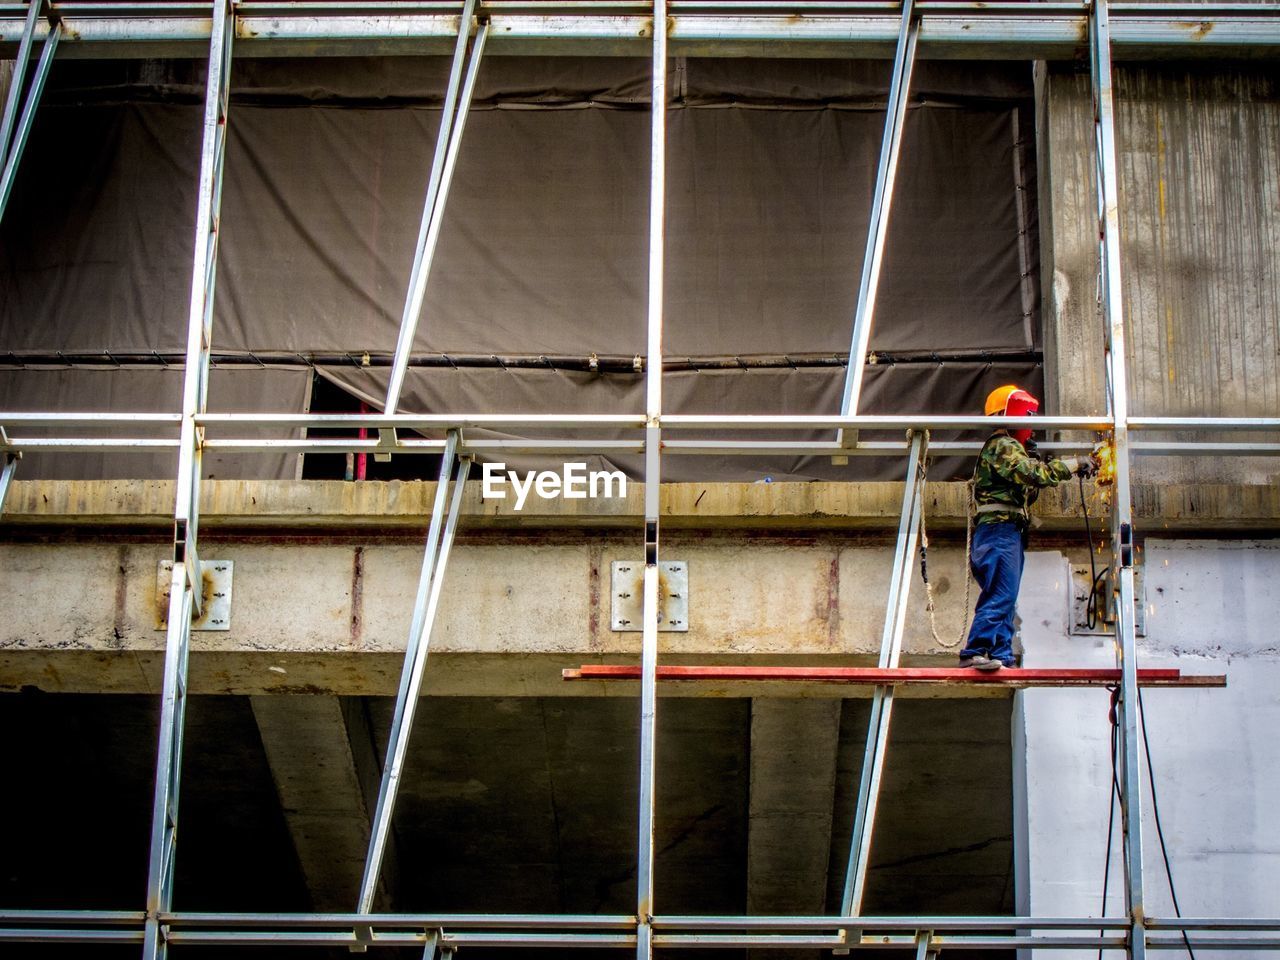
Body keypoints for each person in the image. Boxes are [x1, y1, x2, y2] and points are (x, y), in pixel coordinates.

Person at [959, 385, 1097, 671]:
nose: (1031, 428)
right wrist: (1074, 463)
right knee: (1001, 594)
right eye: (1028, 420)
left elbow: (1027, 489)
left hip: (1006, 531)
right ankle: (976, 650)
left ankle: (1001, 654)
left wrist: (1030, 456)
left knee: (1005, 595)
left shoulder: (1009, 449)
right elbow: (1035, 475)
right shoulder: (1002, 445)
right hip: (999, 531)